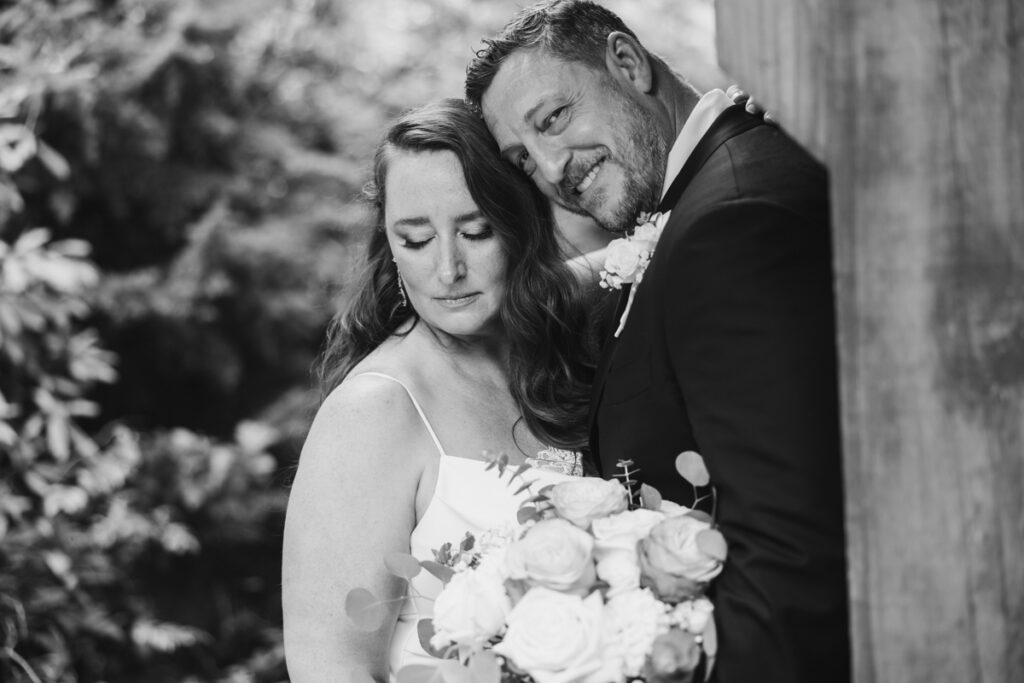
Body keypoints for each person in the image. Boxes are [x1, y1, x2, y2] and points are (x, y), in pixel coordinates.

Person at [465, 2, 850, 681]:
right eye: (523, 159)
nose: (552, 170)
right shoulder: (700, 203)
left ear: (627, 63)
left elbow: (790, 556)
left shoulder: (732, 222)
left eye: (553, 118)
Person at [280, 99, 594, 681]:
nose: (448, 270)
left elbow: (641, 256)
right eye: (417, 240)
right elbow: (330, 667)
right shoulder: (373, 412)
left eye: (475, 231)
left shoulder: (563, 342)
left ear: (520, 222)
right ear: (390, 243)